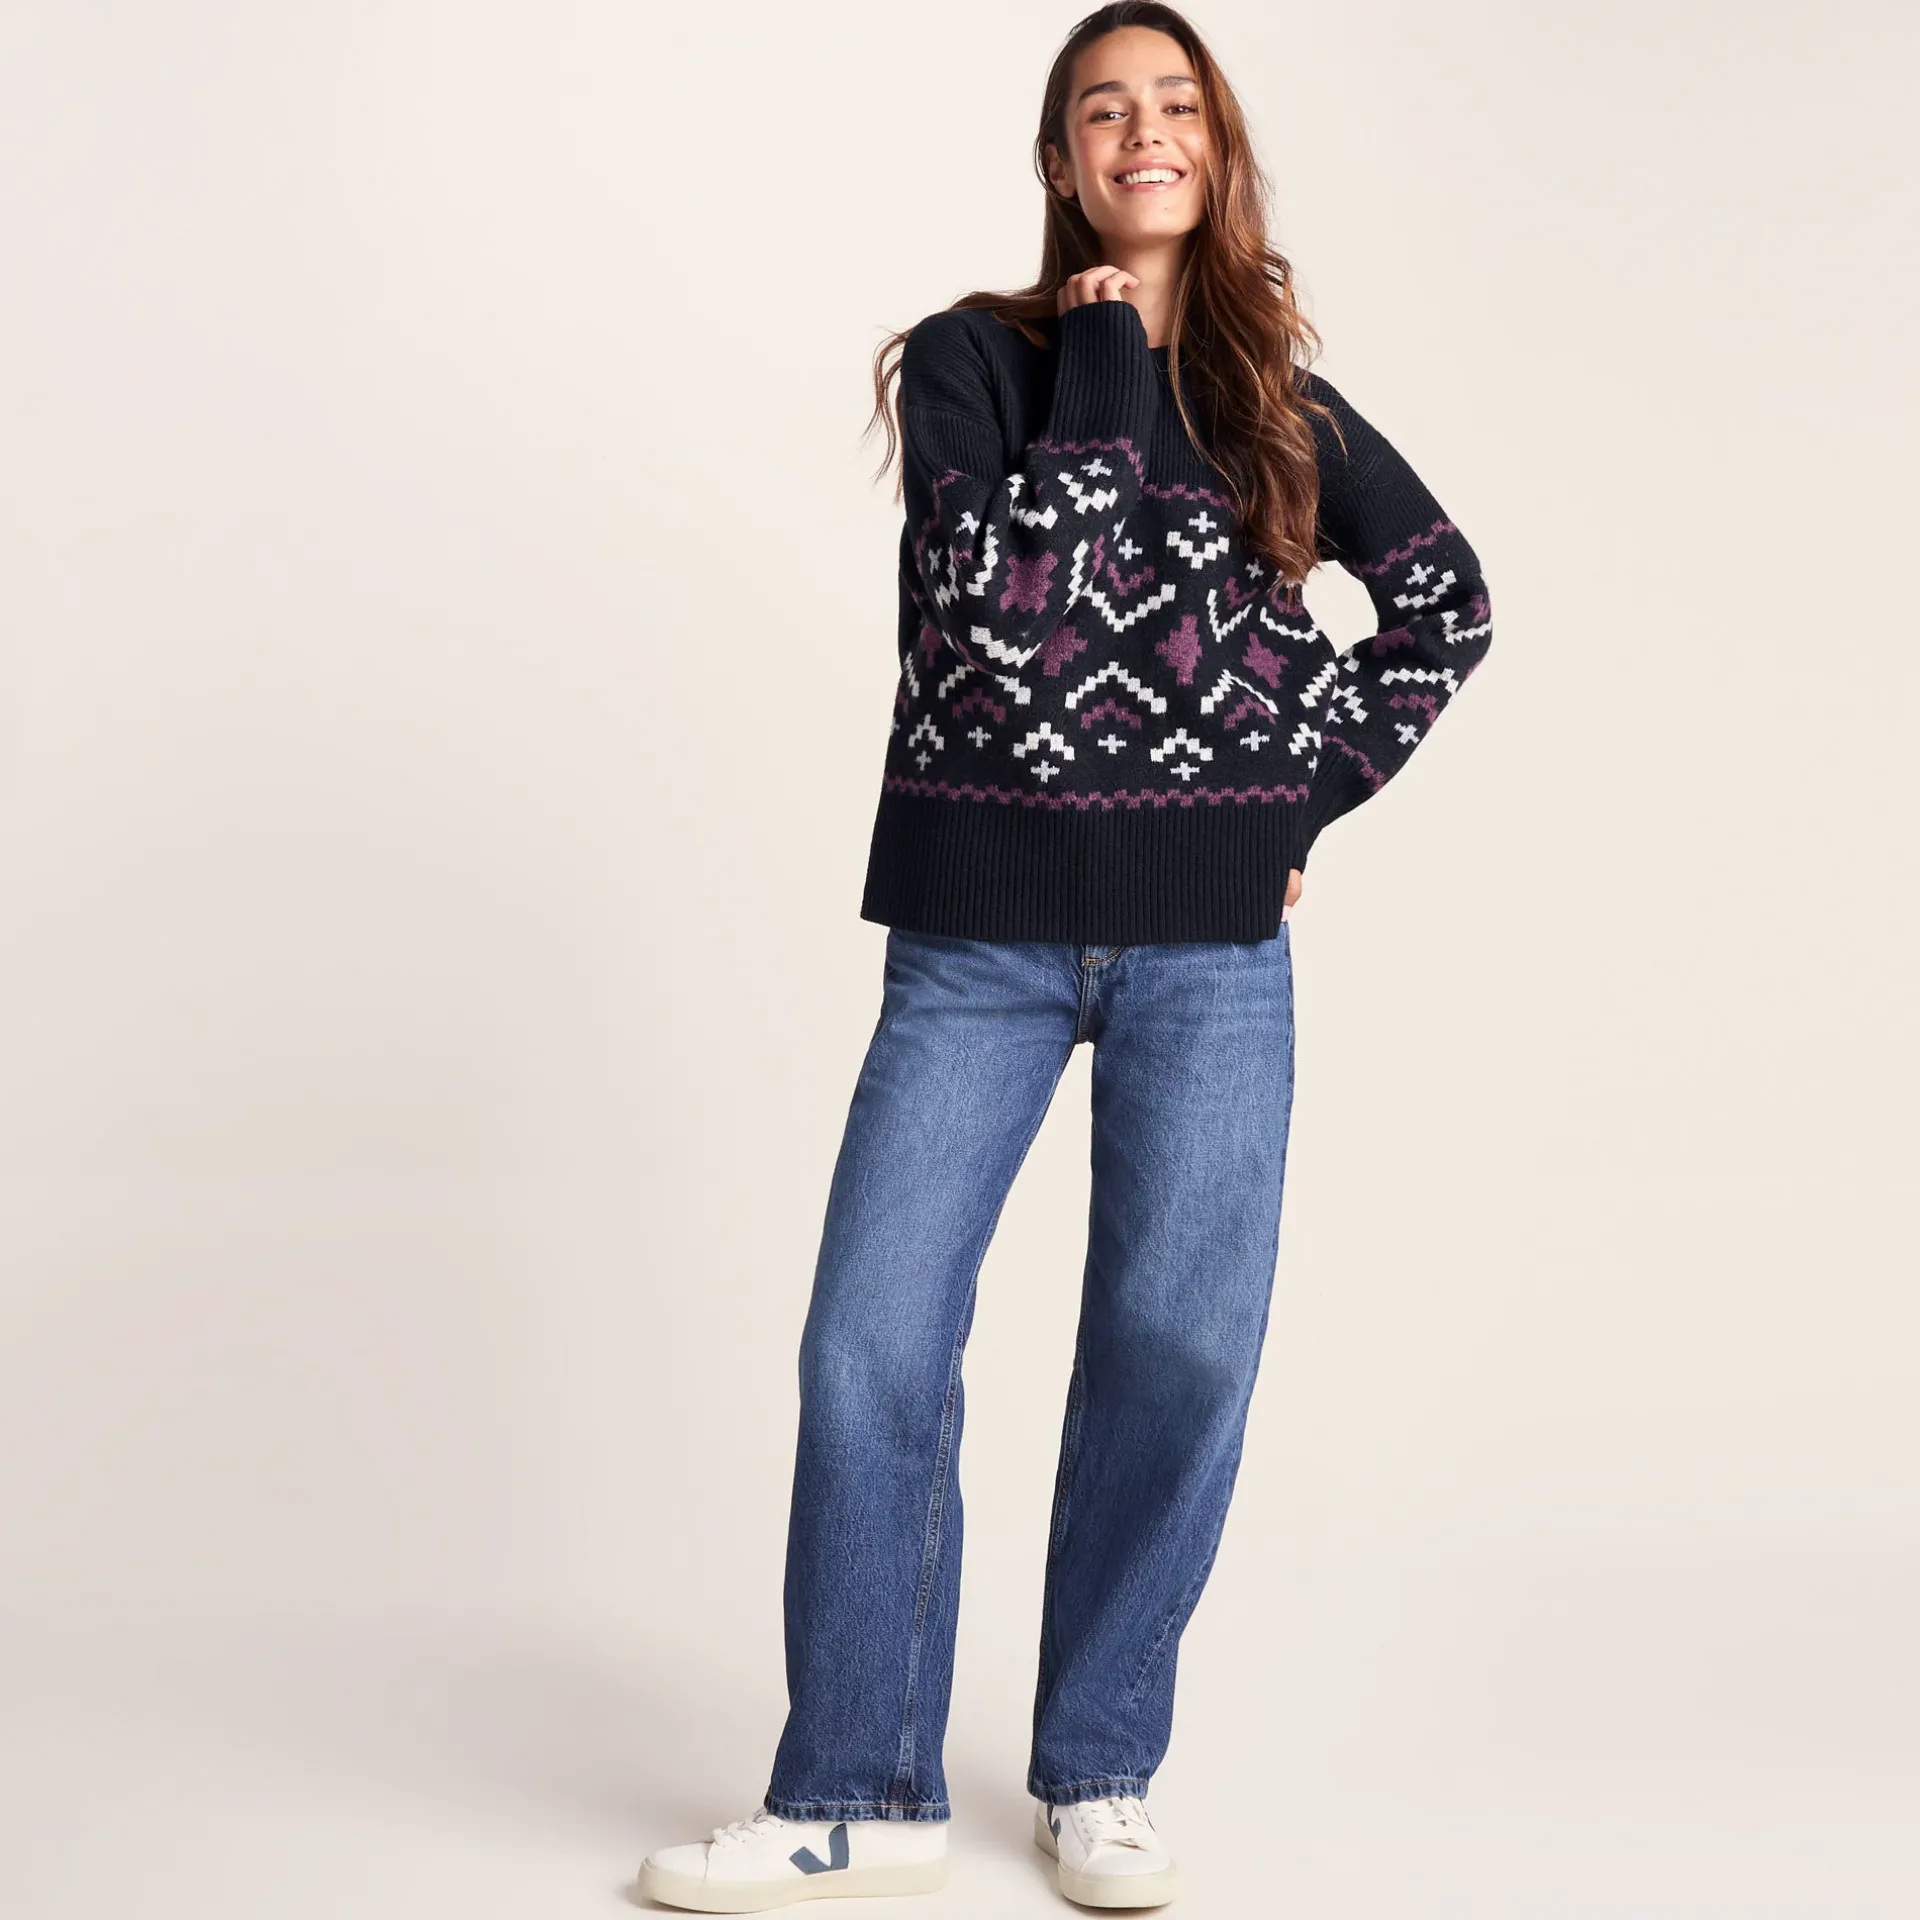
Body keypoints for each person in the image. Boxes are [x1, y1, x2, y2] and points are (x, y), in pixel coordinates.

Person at [638, 2, 1493, 1909]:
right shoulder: (978, 359)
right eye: (1106, 108)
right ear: (1060, 160)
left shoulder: (1281, 406)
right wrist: (1101, 356)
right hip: (980, 937)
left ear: (1220, 146)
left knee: (1177, 1352)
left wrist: (1295, 798)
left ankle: (1100, 1766)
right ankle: (857, 1788)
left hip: (1208, 945)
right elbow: (997, 608)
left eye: (1177, 103)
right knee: (871, 1341)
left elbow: (1446, 598)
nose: (1144, 130)